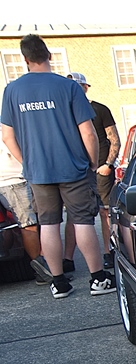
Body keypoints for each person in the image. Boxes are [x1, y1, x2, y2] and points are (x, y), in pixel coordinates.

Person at [0, 34, 114, 299]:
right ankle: (98, 279)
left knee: (49, 224)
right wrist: (92, 162)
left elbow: (7, 136)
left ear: (25, 59)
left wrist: (28, 163)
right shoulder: (69, 87)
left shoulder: (12, 91)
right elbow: (88, 133)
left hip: (38, 172)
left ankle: (59, 283)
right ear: (49, 55)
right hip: (72, 168)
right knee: (83, 221)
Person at [66, 72, 119, 270]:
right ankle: (68, 259)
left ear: (85, 87)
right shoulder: (64, 111)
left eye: (78, 86)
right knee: (75, 216)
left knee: (105, 212)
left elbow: (114, 138)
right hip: (77, 171)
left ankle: (109, 252)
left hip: (100, 169)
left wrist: (108, 164)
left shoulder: (99, 109)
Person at [1, 140, 57, 284]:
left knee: (34, 222)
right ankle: (42, 270)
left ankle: (46, 266)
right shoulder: (6, 129)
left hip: (13, 179)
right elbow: (9, 141)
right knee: (28, 225)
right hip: (12, 180)